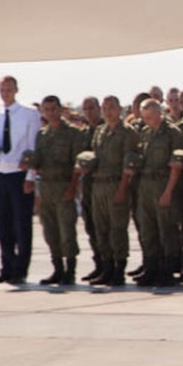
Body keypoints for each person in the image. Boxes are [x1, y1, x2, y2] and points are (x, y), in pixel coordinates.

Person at [0, 76, 41, 284]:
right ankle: (7, 267)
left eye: (9, 89)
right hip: (1, 171)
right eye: (2, 89)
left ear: (16, 89)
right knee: (4, 224)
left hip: (20, 173)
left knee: (22, 224)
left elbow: (33, 147)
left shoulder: (29, 113)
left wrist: (30, 176)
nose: (5, 93)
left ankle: (21, 269)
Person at [30, 95, 85, 285]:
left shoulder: (72, 133)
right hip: (45, 186)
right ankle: (57, 269)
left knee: (67, 230)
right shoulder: (41, 135)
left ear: (61, 110)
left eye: (53, 109)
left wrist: (73, 187)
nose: (50, 113)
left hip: (64, 185)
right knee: (50, 230)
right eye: (46, 110)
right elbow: (37, 162)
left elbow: (77, 165)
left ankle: (70, 270)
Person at [133, 98, 183, 287]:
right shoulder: (145, 133)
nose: (146, 119)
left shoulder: (172, 133)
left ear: (159, 113)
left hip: (164, 184)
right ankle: (151, 268)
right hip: (146, 185)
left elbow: (176, 165)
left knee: (167, 230)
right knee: (148, 229)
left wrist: (169, 191)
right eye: (143, 115)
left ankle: (168, 270)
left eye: (149, 115)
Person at [88, 96, 139, 287]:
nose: (108, 111)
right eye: (105, 108)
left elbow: (129, 163)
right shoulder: (100, 131)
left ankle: (119, 269)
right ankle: (106, 267)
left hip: (117, 184)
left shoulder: (127, 132)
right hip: (99, 185)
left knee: (117, 229)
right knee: (101, 229)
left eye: (112, 108)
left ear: (119, 109)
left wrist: (123, 189)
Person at [78, 95, 106, 281]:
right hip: (87, 186)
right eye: (85, 109)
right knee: (91, 226)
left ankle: (109, 265)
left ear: (99, 108)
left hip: (103, 185)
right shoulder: (84, 132)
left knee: (105, 228)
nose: (88, 112)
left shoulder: (105, 129)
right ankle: (99, 264)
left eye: (91, 108)